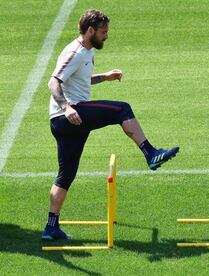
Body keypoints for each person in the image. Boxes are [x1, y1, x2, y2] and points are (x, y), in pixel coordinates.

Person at [42, 9, 179, 240]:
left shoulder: (87, 51)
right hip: (68, 116)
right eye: (103, 32)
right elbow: (53, 82)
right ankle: (150, 153)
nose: (106, 36)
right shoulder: (74, 52)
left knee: (66, 175)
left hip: (69, 120)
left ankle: (51, 227)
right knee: (121, 109)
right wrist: (66, 107)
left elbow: (81, 80)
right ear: (90, 31)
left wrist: (104, 77)